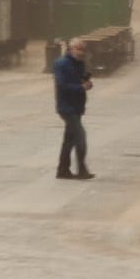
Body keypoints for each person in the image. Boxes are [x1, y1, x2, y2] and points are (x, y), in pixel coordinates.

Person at [53, 36, 94, 180]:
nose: (82, 52)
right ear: (71, 49)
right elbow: (62, 85)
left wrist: (86, 81)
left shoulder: (80, 63)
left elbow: (82, 78)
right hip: (66, 107)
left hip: (77, 106)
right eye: (79, 49)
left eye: (84, 50)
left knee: (69, 139)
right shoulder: (61, 63)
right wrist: (80, 87)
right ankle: (82, 169)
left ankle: (62, 170)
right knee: (80, 136)